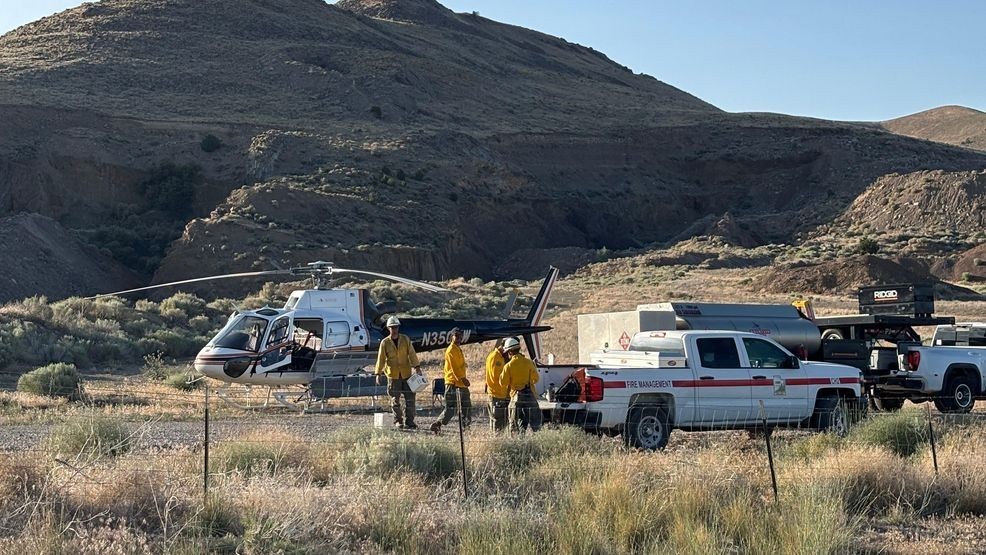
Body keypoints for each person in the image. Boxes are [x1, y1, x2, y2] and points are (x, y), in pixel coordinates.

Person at [375, 316, 422, 429]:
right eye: (392, 327)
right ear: (388, 328)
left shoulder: (405, 339)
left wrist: (417, 367)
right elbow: (381, 358)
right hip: (393, 375)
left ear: (398, 327)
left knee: (410, 398)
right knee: (395, 400)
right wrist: (378, 373)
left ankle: (410, 421)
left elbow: (411, 353)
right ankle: (398, 421)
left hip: (406, 374)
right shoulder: (385, 343)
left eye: (396, 327)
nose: (394, 329)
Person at [430, 328, 471, 433]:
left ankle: (466, 428)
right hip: (453, 383)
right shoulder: (451, 350)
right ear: (451, 336)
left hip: (461, 384)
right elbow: (455, 368)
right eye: (456, 336)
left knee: (466, 406)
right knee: (451, 408)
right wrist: (463, 378)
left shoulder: (458, 349)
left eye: (460, 336)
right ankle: (437, 424)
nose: (459, 338)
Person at [500, 337, 541, 432]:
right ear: (518, 349)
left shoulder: (508, 366)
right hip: (529, 395)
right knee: (536, 424)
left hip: (515, 397)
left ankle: (516, 444)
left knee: (514, 425)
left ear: (509, 352)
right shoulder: (529, 363)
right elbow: (536, 379)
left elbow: (502, 383)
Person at [485, 338, 510, 432]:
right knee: (498, 422)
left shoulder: (499, 356)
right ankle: (497, 441)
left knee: (496, 421)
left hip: (498, 393)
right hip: (496, 393)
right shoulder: (495, 358)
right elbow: (497, 376)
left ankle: (494, 440)